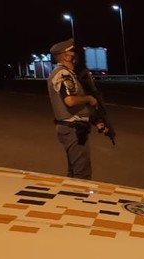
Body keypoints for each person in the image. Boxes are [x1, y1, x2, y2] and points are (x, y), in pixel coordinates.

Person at [46, 38, 108, 180]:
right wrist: (89, 99)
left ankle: (70, 197)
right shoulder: (63, 74)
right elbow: (70, 100)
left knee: (74, 172)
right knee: (82, 174)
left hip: (71, 127)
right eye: (73, 53)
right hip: (73, 129)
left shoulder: (65, 73)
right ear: (67, 56)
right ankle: (80, 199)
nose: (76, 56)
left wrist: (95, 120)